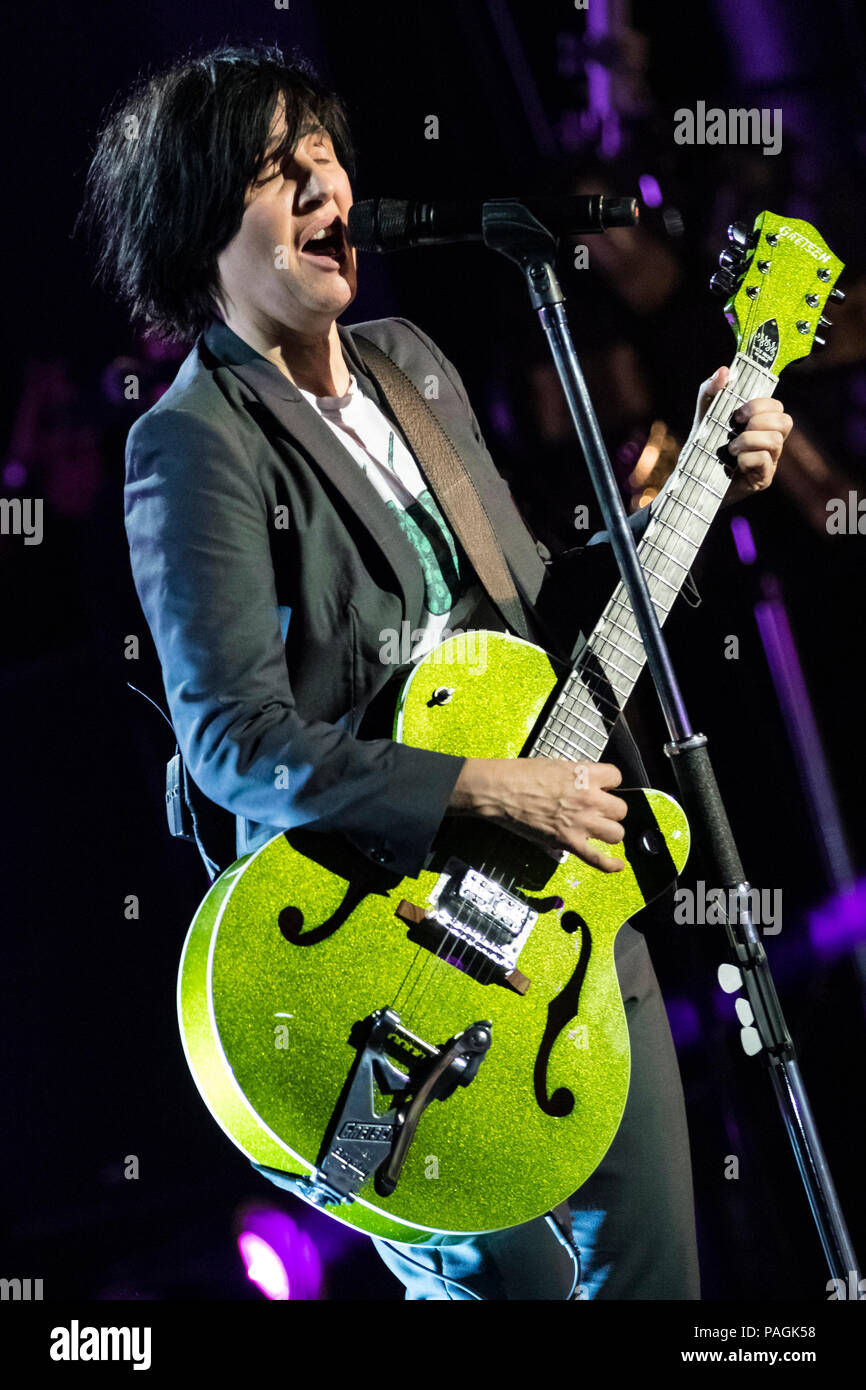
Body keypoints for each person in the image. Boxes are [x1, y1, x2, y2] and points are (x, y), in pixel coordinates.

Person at [78, 42, 792, 1299]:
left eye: (325, 156)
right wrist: (483, 790)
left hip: (555, 909)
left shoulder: (411, 360)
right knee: (494, 1283)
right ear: (201, 230)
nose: (322, 186)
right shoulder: (191, 442)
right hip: (364, 957)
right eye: (273, 168)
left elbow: (522, 630)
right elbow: (235, 742)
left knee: (656, 1274)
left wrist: (684, 488)